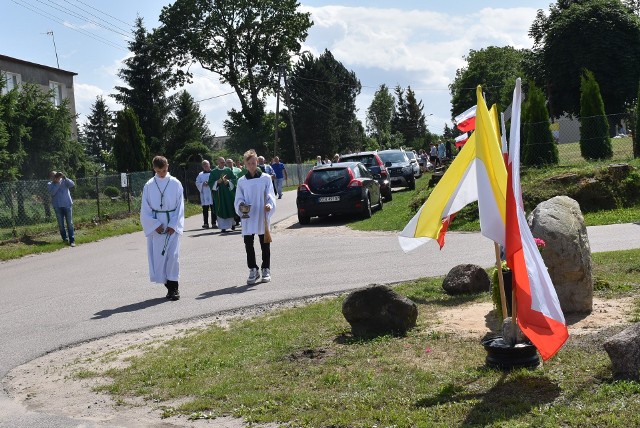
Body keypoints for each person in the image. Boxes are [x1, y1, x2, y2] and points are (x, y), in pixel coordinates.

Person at [140, 156, 184, 301]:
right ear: (154, 169)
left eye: (165, 170)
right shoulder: (149, 185)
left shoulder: (175, 183)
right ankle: (169, 288)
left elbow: (180, 206)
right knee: (160, 259)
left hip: (172, 223)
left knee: (173, 257)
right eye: (159, 171)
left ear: (168, 166)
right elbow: (145, 209)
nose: (162, 173)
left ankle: (174, 289)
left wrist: (173, 225)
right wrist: (154, 225)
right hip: (157, 225)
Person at [234, 149, 277, 285]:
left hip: (261, 214)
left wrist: (269, 205)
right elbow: (238, 198)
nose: (252, 165)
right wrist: (241, 206)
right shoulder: (242, 181)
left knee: (264, 243)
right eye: (250, 163)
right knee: (248, 243)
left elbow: (270, 194)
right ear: (246, 164)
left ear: (257, 162)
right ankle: (253, 269)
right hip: (248, 216)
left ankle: (266, 268)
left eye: (254, 162)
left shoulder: (265, 178)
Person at [208, 157, 237, 232]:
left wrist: (228, 181)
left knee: (230, 206)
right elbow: (210, 182)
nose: (223, 163)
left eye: (224, 162)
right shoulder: (214, 172)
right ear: (217, 162)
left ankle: (232, 224)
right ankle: (223, 227)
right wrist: (217, 182)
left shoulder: (228, 170)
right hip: (219, 194)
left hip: (228, 193)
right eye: (221, 162)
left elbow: (234, 179)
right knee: (221, 208)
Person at [48, 170, 76, 247]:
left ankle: (72, 240)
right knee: (61, 225)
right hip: (57, 206)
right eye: (53, 176)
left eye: (56, 175)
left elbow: (72, 184)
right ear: (51, 177)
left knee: (69, 223)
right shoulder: (50, 184)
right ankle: (65, 239)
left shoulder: (64, 181)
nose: (55, 177)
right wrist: (57, 183)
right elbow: (52, 193)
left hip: (67, 205)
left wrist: (64, 177)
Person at [195, 160, 216, 229]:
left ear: (209, 165)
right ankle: (206, 223)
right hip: (204, 194)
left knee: (213, 209)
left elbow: (216, 181)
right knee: (205, 209)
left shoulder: (213, 172)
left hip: (212, 193)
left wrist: (210, 183)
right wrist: (202, 184)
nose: (206, 166)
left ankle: (213, 223)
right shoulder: (200, 174)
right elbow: (197, 182)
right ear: (203, 167)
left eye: (207, 165)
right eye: (204, 165)